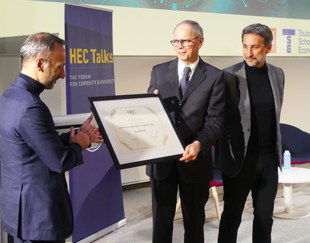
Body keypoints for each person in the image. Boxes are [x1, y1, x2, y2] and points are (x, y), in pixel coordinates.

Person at [0, 33, 103, 243]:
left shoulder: (10, 96)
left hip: (18, 214)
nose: (63, 74)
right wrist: (80, 145)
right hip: (37, 219)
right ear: (40, 63)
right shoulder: (31, 107)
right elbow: (59, 162)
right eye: (59, 66)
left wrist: (70, 139)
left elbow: (31, 144)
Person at [146, 20, 225, 243]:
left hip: (195, 161)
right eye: (176, 41)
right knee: (161, 223)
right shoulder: (159, 71)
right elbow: (150, 112)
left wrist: (199, 144)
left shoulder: (215, 76)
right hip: (161, 161)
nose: (180, 46)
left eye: (186, 41)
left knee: (194, 223)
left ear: (200, 41)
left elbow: (215, 121)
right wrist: (150, 106)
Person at [215, 23, 285, 243]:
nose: (248, 52)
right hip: (239, 160)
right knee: (232, 217)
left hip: (268, 159)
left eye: (254, 47)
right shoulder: (228, 75)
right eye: (245, 46)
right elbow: (216, 115)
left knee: (264, 217)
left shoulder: (277, 74)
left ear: (268, 48)